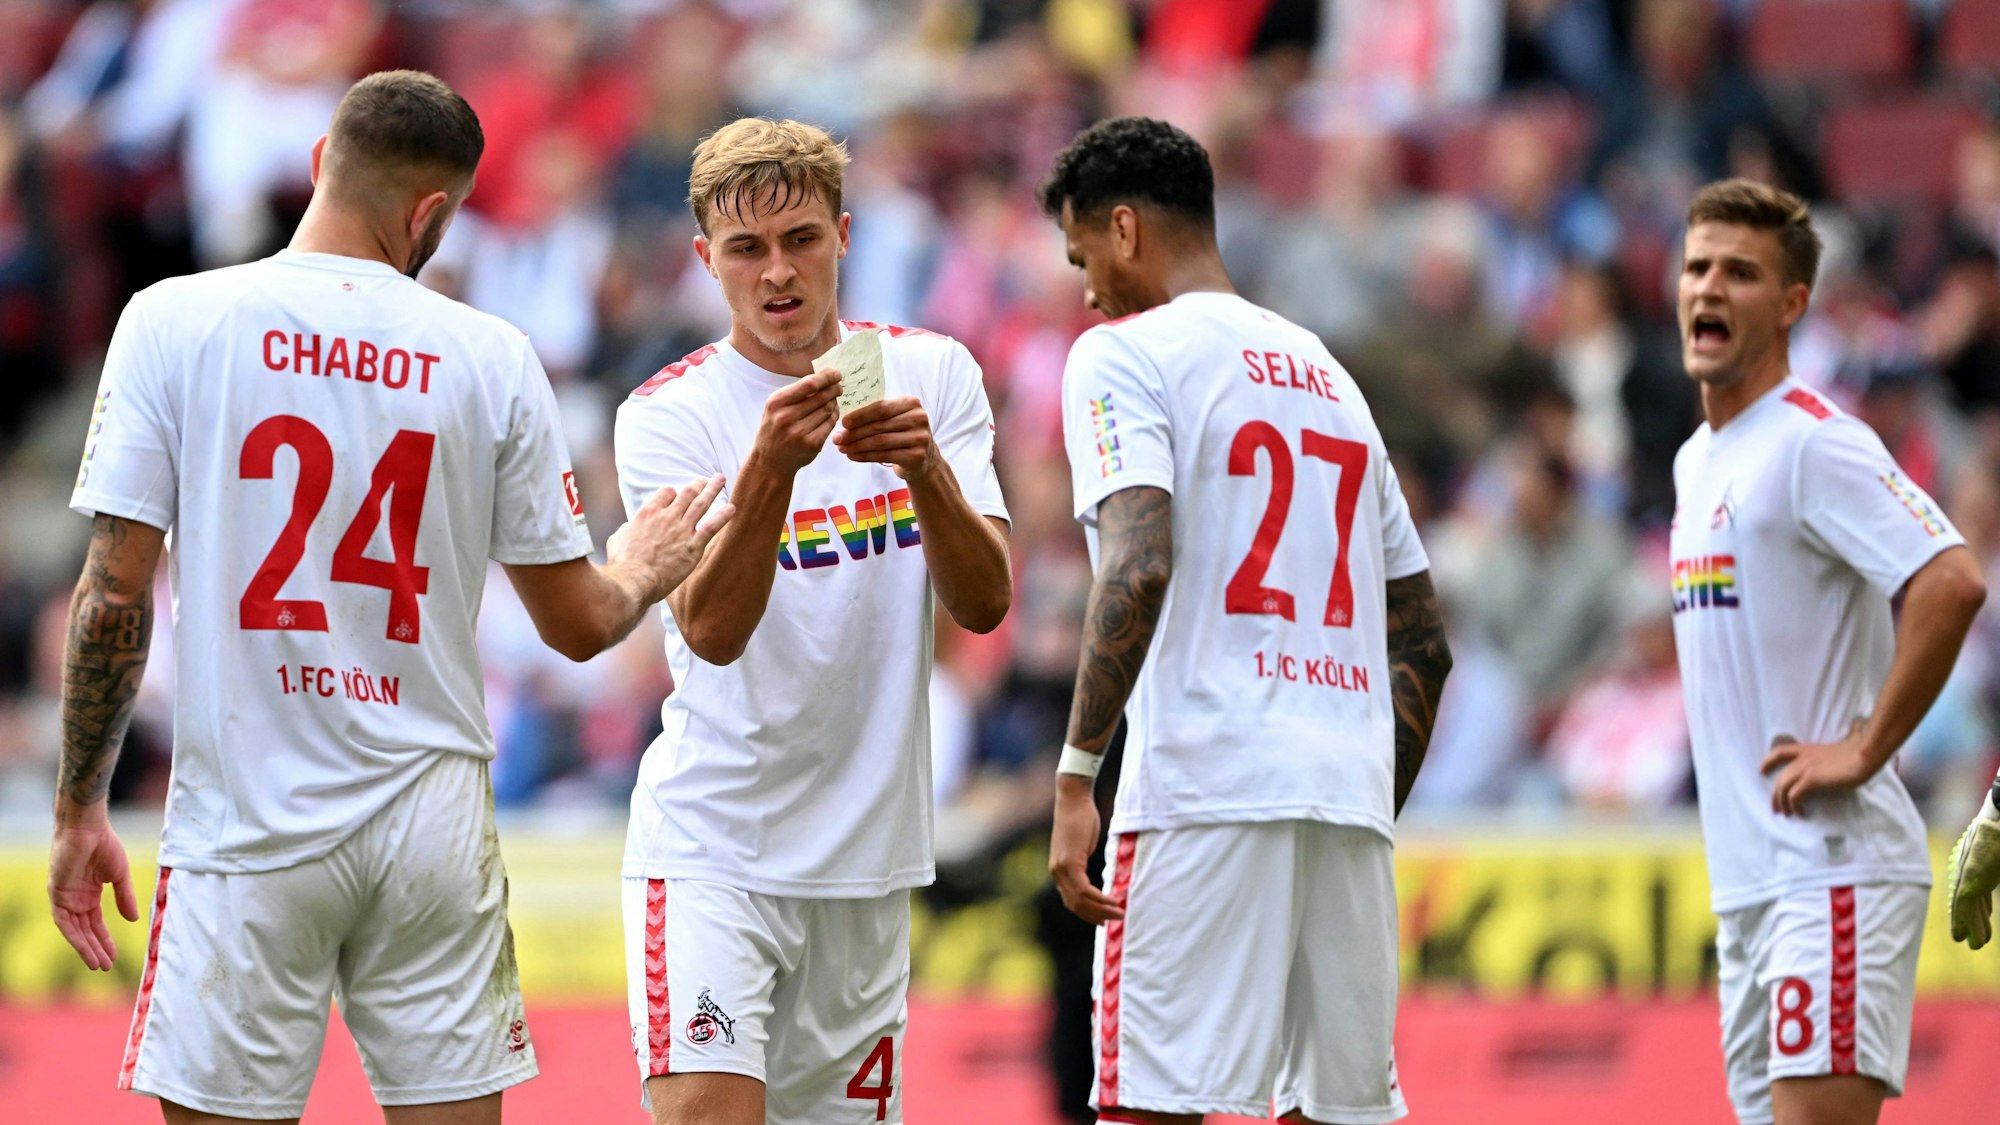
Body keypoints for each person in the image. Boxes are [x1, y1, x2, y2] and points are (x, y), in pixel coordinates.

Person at [48, 70, 733, 1125]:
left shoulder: (173, 319)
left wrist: (78, 803)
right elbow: (582, 623)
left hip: (247, 823)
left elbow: (112, 596)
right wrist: (643, 560)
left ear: (322, 162)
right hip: (430, 825)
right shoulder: (492, 356)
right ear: (433, 215)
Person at [1040, 116, 1453, 1125]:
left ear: (1125, 229)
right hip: (1345, 797)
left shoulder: (1121, 355)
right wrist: (1356, 786)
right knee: (1331, 1111)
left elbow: (1136, 564)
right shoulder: (1330, 377)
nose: (1087, 289)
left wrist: (1075, 773)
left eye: (1083, 255)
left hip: (1203, 780)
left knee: (1147, 1105)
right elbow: (1425, 644)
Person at [612, 117, 1011, 1125]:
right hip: (714, 851)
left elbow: (983, 601)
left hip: (864, 866)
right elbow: (708, 631)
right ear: (708, 261)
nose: (777, 272)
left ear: (843, 236)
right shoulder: (671, 415)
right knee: (708, 1111)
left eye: (799, 239)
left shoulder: (929, 374)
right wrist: (768, 479)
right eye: (746, 249)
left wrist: (925, 474)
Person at [1667, 178, 1987, 1125]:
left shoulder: (1813, 443)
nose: (1708, 290)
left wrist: (1865, 746)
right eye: (1696, 267)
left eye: (1740, 272)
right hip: (1751, 882)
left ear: (1794, 303)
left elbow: (1951, 579)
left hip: (1832, 865)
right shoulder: (1697, 460)